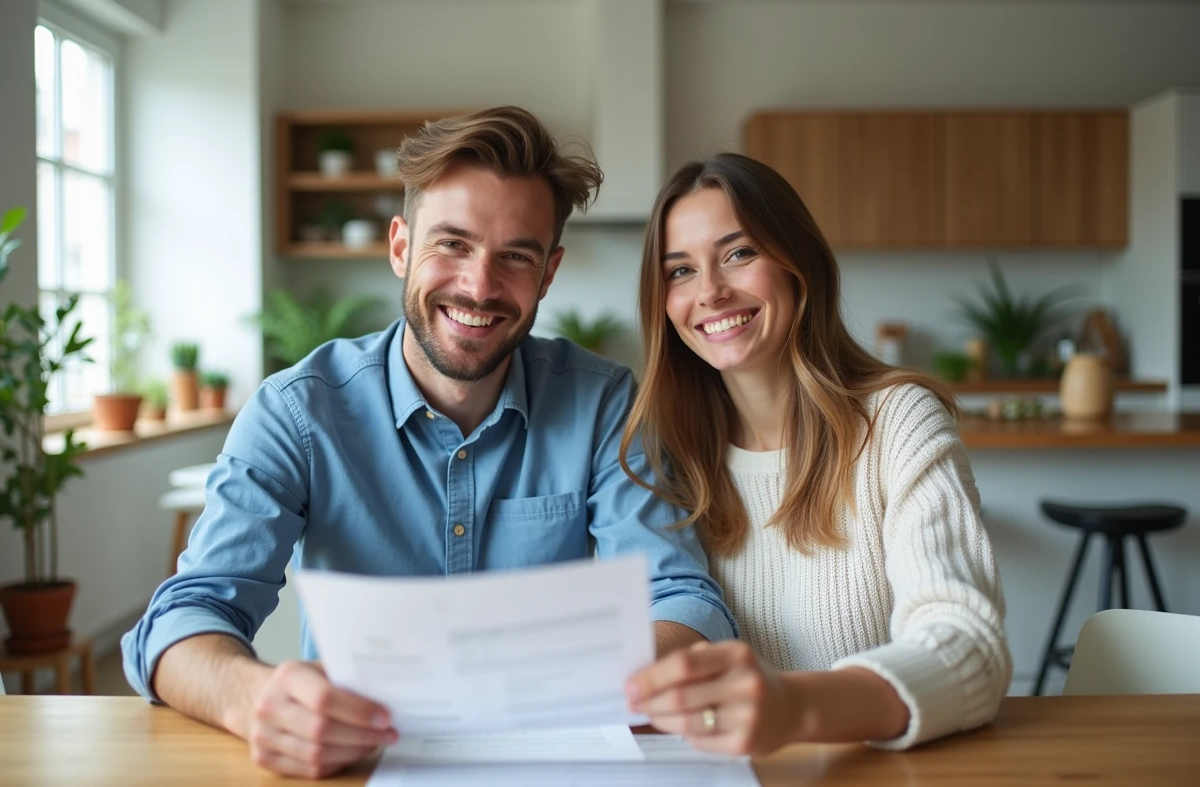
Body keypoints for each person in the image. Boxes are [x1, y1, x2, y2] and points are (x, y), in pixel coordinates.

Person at [122, 107, 735, 779]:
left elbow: (683, 598)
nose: (479, 285)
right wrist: (253, 698)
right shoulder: (296, 412)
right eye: (452, 244)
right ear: (399, 246)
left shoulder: (606, 404)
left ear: (549, 273)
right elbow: (185, 615)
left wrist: (574, 679)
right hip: (356, 766)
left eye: (515, 257)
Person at [621, 153, 1011, 755]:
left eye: (739, 253)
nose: (711, 292)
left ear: (797, 262)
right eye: (680, 271)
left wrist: (796, 707)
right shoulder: (666, 451)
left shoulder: (897, 422)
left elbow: (969, 649)